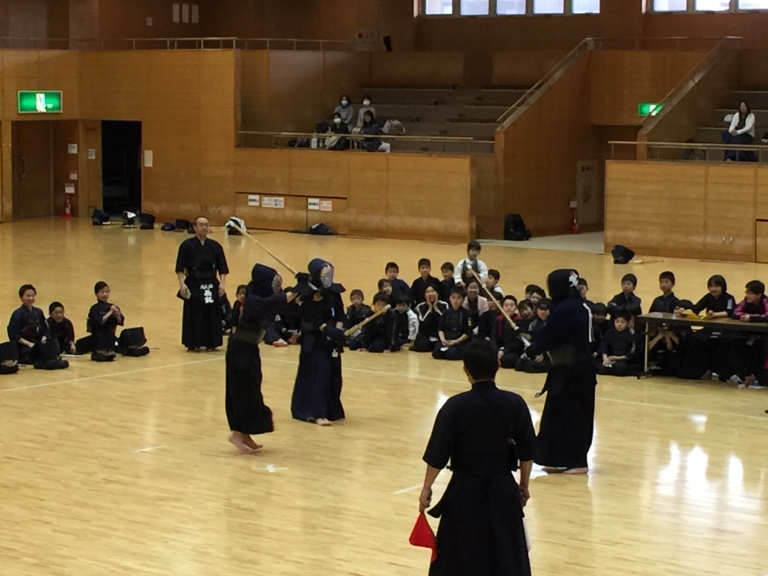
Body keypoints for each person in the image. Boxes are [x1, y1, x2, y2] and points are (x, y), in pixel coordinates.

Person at [419, 338, 535, 576]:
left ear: (466, 370)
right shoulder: (515, 403)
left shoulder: (454, 407)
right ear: (498, 365)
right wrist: (523, 485)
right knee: (505, 554)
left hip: (464, 491)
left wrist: (426, 488)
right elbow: (527, 452)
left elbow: (438, 454)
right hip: (502, 489)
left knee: (460, 556)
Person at [526, 269, 596, 474]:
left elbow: (551, 335)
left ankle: (577, 462)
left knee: (572, 417)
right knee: (559, 416)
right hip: (575, 370)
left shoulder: (566, 308)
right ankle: (558, 458)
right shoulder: (576, 305)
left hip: (572, 373)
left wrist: (533, 348)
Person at [225, 264, 300, 454]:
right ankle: (237, 434)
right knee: (243, 392)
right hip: (239, 351)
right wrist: (295, 290)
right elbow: (274, 302)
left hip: (250, 349)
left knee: (253, 389)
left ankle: (246, 433)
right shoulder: (253, 301)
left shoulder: (260, 297)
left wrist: (300, 290)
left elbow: (279, 303)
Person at [291, 258, 346, 426]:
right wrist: (325, 328)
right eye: (324, 274)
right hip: (314, 341)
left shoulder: (334, 292)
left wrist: (337, 331)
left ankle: (331, 410)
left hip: (331, 340)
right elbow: (309, 318)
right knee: (319, 375)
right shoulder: (307, 294)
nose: (328, 277)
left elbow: (340, 314)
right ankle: (316, 413)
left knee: (333, 376)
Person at [175, 216, 230, 351]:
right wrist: (182, 284)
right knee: (194, 313)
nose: (204, 227)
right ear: (195, 227)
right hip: (193, 282)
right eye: (201, 225)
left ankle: (212, 342)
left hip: (211, 282)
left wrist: (222, 284)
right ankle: (193, 343)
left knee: (212, 313)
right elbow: (180, 268)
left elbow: (222, 268)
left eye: (206, 225)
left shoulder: (215, 246)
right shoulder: (186, 245)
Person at [7, 284, 50, 365]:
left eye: (33, 296)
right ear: (21, 297)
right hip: (24, 348)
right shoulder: (17, 314)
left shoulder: (39, 312)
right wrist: (29, 344)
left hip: (37, 344)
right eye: (28, 296)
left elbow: (46, 329)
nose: (31, 298)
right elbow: (14, 334)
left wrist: (44, 338)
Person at [88, 281, 124, 362]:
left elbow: (120, 321)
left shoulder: (112, 306)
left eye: (107, 292)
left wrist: (117, 314)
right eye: (102, 292)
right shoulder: (94, 308)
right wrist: (110, 312)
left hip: (111, 338)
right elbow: (99, 322)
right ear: (96, 294)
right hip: (99, 339)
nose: (105, 294)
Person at [432, 288, 472, 361]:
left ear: (463, 300)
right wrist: (443, 340)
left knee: (452, 353)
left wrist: (455, 341)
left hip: (459, 341)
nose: (455, 300)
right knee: (436, 353)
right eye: (453, 298)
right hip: (447, 339)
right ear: (450, 298)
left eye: (458, 298)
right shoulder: (445, 312)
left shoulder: (467, 314)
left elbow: (468, 333)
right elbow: (440, 329)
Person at [597, 310, 638, 377]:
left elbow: (632, 353)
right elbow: (604, 346)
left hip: (623, 360)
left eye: (623, 322)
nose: (619, 324)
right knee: (599, 367)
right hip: (610, 359)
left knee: (621, 368)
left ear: (627, 323)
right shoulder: (610, 333)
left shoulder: (631, 335)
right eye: (617, 321)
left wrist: (617, 358)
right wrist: (605, 358)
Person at [412, 286, 448, 352]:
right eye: (427, 292)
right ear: (424, 295)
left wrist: (435, 308)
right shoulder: (420, 306)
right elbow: (423, 323)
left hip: (439, 333)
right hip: (426, 334)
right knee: (421, 345)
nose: (430, 294)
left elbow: (444, 321)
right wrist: (430, 308)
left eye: (432, 291)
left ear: (437, 293)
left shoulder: (444, 304)